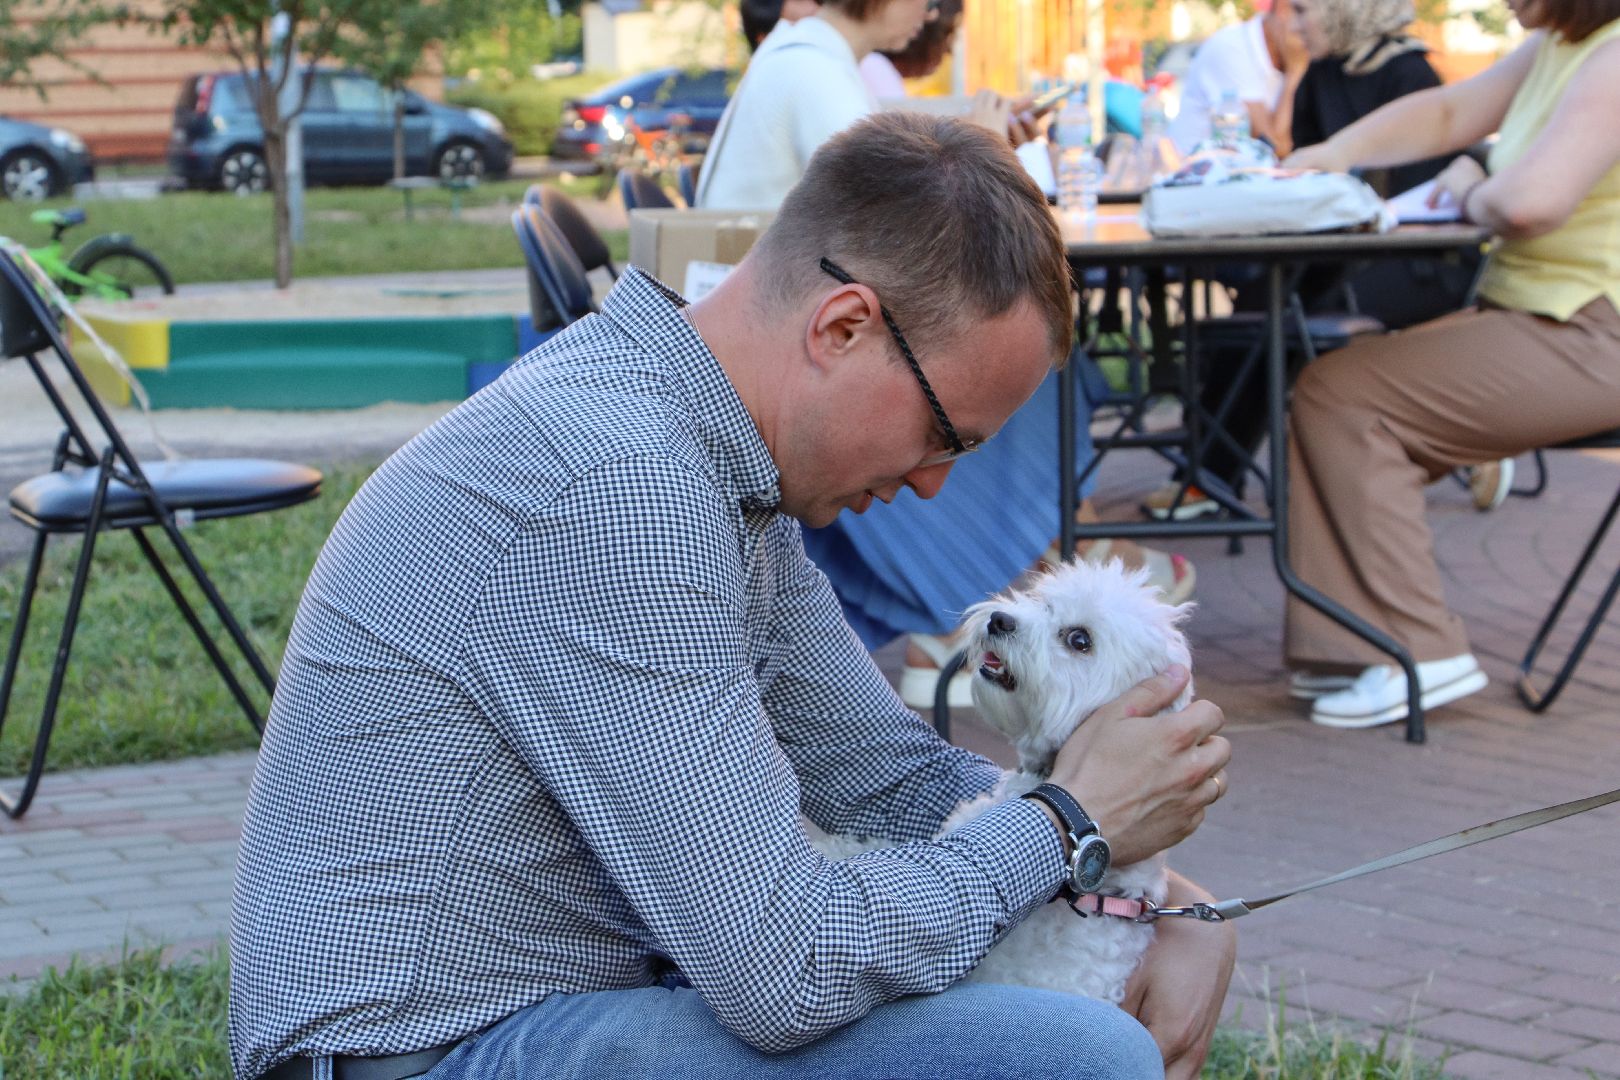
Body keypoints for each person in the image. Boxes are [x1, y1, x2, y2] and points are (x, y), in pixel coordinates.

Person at [229, 113, 1236, 1080]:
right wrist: (1072, 826)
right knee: (1072, 1060)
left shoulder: (711, 466)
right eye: (946, 435)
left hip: (569, 1009)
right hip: (429, 1054)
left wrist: (1154, 899)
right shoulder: (621, 491)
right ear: (844, 326)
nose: (936, 483)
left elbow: (886, 784)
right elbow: (787, 972)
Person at [1271, 0, 1620, 726]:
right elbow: (1448, 114)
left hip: (1595, 332)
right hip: (1549, 315)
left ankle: (1418, 654)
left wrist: (1468, 186)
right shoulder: (1563, 44)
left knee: (1346, 398)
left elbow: (1529, 204)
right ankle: (1355, 646)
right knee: (1332, 388)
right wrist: (1334, 153)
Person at [1142, 0, 1479, 524]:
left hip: (1417, 261)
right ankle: (1206, 475)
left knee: (1289, 322)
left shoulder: (1411, 73)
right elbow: (1302, 176)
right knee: (1258, 308)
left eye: (1304, 11)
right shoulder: (1320, 75)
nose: (1294, 26)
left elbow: (1427, 203)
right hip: (1338, 250)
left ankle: (1228, 477)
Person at [1167, 0, 1310, 157]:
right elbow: (1274, 149)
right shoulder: (1231, 48)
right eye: (1302, 11)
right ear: (1283, 7)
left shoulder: (1291, 54)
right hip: (1192, 173)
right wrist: (1295, 73)